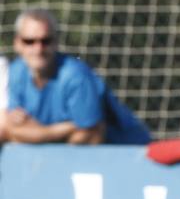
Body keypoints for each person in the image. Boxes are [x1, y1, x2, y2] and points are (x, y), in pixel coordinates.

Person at [6, 9, 151, 145]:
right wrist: (67, 128)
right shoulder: (15, 72)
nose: (38, 49)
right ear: (17, 43)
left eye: (46, 41)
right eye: (29, 41)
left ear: (56, 42)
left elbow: (91, 133)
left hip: (127, 151)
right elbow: (17, 126)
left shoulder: (76, 76)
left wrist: (40, 135)